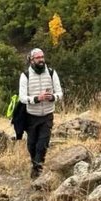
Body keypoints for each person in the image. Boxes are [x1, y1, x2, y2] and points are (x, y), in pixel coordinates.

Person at [18, 48, 63, 178]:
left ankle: (38, 169)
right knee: (32, 144)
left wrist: (53, 97)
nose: (41, 60)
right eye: (38, 58)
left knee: (42, 144)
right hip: (31, 115)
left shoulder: (51, 73)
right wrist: (37, 99)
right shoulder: (25, 75)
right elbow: (22, 97)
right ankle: (34, 163)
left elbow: (60, 93)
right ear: (31, 60)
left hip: (48, 114)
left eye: (42, 57)